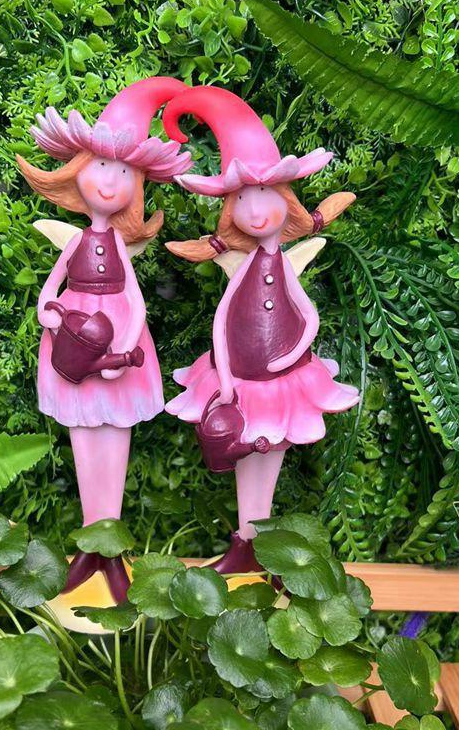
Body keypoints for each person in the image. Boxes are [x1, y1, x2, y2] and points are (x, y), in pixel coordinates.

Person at [163, 85, 359, 573]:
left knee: (268, 450)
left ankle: (258, 543)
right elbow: (223, 317)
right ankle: (244, 541)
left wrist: (294, 352)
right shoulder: (245, 267)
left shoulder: (281, 264)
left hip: (283, 379)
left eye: (265, 196)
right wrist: (226, 376)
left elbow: (308, 314)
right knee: (244, 449)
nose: (254, 211)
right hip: (241, 378)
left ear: (286, 200)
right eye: (242, 200)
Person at [16, 77, 191, 617]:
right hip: (71, 339)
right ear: (75, 172)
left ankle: (110, 548)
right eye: (101, 168)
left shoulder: (118, 242)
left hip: (117, 343)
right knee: (82, 438)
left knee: (116, 439)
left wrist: (128, 342)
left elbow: (135, 300)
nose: (111, 184)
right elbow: (50, 291)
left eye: (125, 174)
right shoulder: (74, 241)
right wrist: (48, 313)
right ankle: (90, 544)